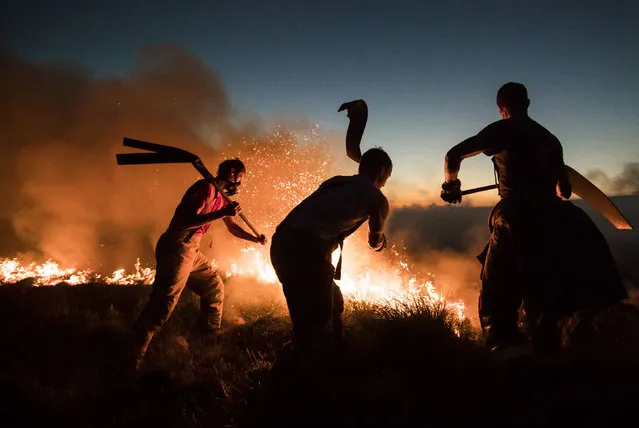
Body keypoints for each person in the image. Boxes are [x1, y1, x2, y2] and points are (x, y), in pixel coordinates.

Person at [440, 82, 627, 354]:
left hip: (516, 216)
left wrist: (451, 186)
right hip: (557, 216)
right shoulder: (551, 140)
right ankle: (553, 350)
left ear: (501, 108)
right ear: (527, 103)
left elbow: (452, 155)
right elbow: (564, 191)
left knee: (497, 289)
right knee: (550, 286)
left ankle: (503, 353)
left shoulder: (500, 130)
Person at [130, 158, 267, 370]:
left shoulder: (222, 199)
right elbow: (186, 221)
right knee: (163, 304)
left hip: (192, 250)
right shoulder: (205, 189)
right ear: (232, 173)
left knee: (213, 287)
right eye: (241, 178)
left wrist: (255, 239)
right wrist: (223, 213)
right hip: (178, 245)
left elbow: (232, 227)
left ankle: (205, 339)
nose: (240, 184)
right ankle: (130, 359)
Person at [270, 148, 392, 355]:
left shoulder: (336, 182)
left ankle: (327, 354)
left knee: (331, 304)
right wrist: (382, 242)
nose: (385, 182)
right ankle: (304, 373)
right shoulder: (377, 199)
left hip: (281, 243)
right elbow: (374, 242)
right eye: (387, 177)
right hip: (305, 250)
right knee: (316, 324)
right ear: (381, 170)